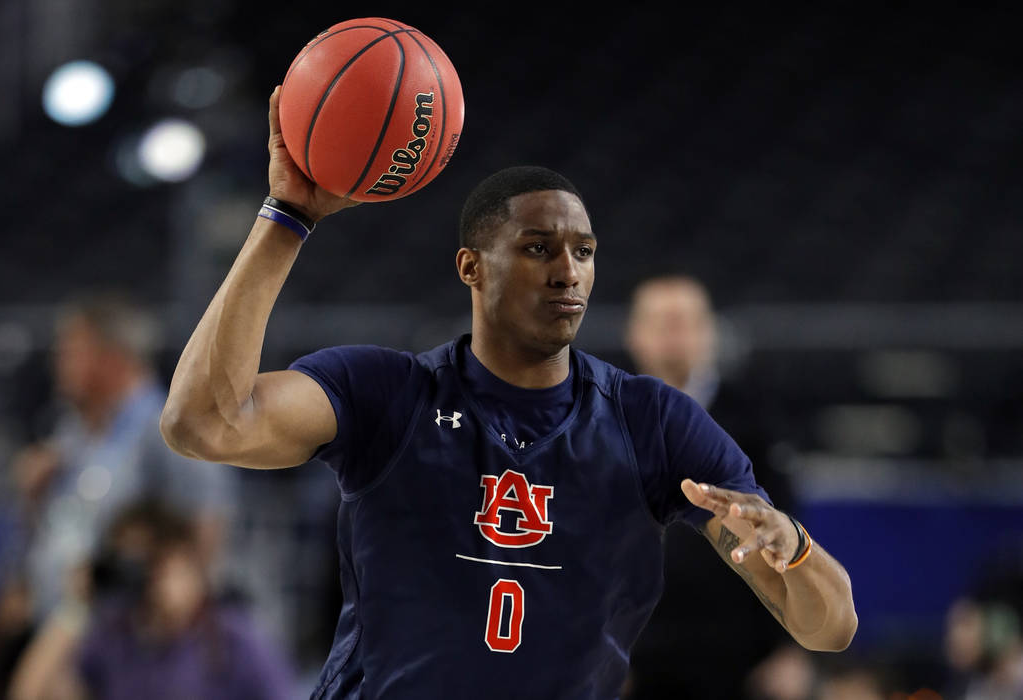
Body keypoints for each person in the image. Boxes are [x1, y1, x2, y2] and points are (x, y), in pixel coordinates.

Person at [159, 85, 858, 699]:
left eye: (583, 251)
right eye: (537, 247)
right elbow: (203, 425)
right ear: (471, 267)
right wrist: (287, 217)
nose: (568, 271)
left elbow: (829, 628)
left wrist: (794, 546)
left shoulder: (651, 422)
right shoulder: (388, 393)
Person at [623, 275, 801, 699]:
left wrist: (790, 648)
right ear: (635, 334)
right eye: (662, 323)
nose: (674, 335)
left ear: (710, 333)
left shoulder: (757, 422)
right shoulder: (602, 420)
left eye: (685, 322)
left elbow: (790, 530)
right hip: (636, 654)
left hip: (738, 656)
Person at [16, 292, 236, 623]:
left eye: (72, 351)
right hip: (66, 619)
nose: (58, 362)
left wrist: (181, 623)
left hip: (130, 630)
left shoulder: (167, 427)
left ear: (112, 358)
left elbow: (207, 525)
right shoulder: (74, 429)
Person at [8, 499, 297, 700]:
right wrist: (75, 607)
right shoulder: (113, 637)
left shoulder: (232, 639)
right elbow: (30, 694)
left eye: (150, 561)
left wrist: (181, 610)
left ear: (179, 558)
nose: (141, 575)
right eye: (128, 562)